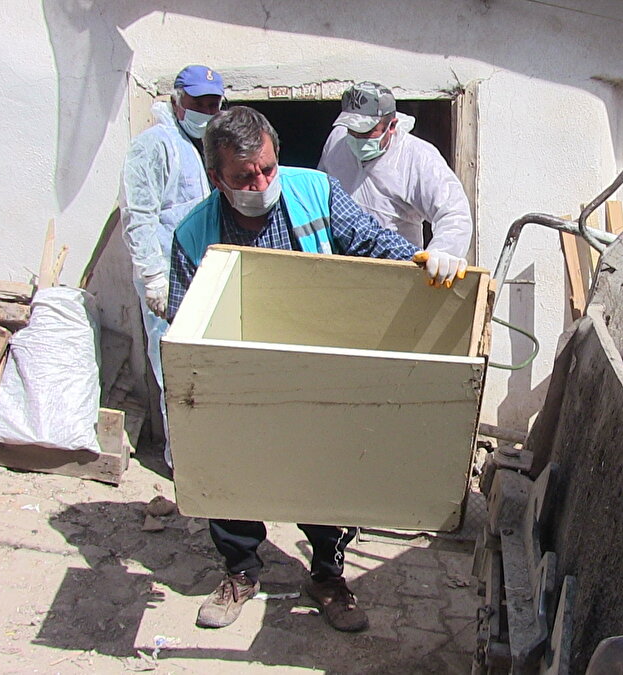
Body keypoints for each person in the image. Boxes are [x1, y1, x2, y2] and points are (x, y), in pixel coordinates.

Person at [167, 106, 467, 633]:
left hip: (315, 366)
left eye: (266, 168)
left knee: (327, 473)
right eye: (243, 177)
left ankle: (328, 576)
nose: (260, 183)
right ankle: (240, 571)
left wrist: (429, 263)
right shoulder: (193, 234)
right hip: (237, 374)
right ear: (217, 179)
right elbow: (183, 315)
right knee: (231, 468)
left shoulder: (315, 191)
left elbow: (379, 247)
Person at [119, 64, 225, 469]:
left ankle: (206, 459)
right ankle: (183, 463)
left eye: (213, 104)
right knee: (174, 371)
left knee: (203, 373)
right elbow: (140, 215)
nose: (206, 110)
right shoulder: (155, 145)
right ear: (178, 101)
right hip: (168, 280)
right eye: (198, 102)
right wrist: (152, 276)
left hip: (202, 277)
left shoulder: (204, 146)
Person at [318, 81, 473, 259]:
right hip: (340, 265)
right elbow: (320, 193)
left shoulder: (418, 157)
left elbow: (454, 213)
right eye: (352, 130)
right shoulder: (337, 140)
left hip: (395, 270)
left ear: (392, 126)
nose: (357, 137)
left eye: (366, 131)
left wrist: (442, 254)